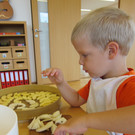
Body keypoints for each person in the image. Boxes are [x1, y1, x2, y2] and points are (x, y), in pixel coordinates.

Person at [42, 7, 135, 135]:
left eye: (84, 55)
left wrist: (86, 121)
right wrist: (61, 83)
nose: (80, 61)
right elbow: (76, 100)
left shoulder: (129, 86)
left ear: (111, 51)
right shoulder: (98, 81)